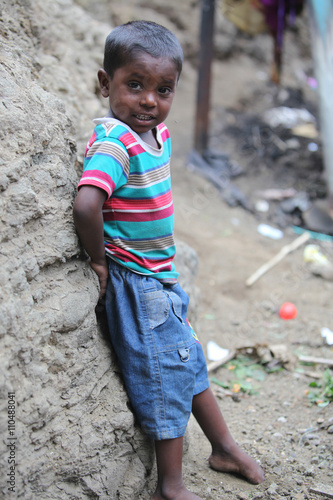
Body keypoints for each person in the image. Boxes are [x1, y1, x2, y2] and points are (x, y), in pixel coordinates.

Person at [73, 20, 264, 500]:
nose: (149, 101)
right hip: (137, 284)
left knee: (188, 360)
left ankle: (222, 445)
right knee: (164, 375)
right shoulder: (117, 141)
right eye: (133, 85)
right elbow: (86, 204)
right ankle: (170, 486)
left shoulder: (156, 135)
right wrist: (98, 262)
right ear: (105, 84)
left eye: (163, 89)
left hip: (161, 277)